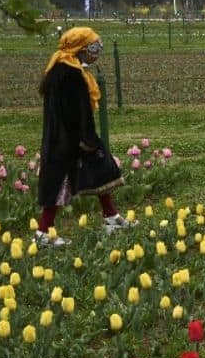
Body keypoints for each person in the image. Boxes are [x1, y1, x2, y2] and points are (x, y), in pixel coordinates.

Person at [36, 27, 136, 246]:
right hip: (69, 140)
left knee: (101, 173)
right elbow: (78, 111)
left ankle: (111, 217)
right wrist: (88, 139)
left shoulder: (61, 69)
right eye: (93, 48)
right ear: (78, 49)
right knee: (59, 183)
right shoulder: (71, 75)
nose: (97, 52)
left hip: (63, 137)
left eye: (99, 47)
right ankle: (43, 233)